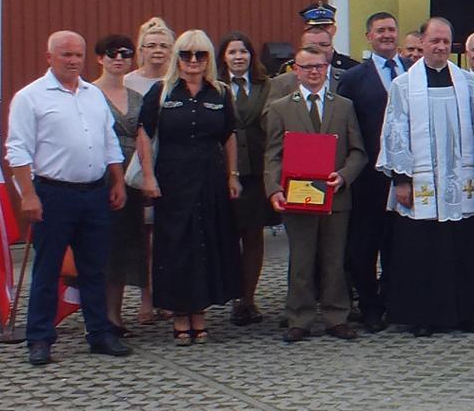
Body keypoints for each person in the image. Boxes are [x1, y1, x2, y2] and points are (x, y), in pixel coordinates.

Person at [9, 31, 133, 366]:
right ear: (49, 57)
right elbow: (18, 150)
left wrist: (118, 180)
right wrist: (28, 195)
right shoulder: (30, 97)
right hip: (53, 194)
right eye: (66, 54)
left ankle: (99, 333)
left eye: (78, 54)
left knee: (95, 269)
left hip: (94, 193)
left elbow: (109, 142)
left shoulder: (93, 95)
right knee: (48, 269)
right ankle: (40, 338)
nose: (73, 61)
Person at [378, 17, 474, 336]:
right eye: (434, 41)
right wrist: (401, 179)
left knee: (461, 245)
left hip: (460, 180)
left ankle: (464, 312)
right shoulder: (403, 85)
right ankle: (422, 316)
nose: (440, 47)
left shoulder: (467, 82)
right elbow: (396, 131)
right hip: (420, 181)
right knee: (421, 250)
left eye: (445, 42)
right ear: (423, 43)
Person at [135, 29, 243, 345]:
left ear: (209, 58)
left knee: (206, 243)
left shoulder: (220, 92)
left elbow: (229, 135)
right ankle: (180, 315)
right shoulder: (161, 92)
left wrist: (232, 175)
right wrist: (148, 177)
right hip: (173, 180)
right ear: (177, 58)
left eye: (200, 55)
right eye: (186, 54)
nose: (193, 61)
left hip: (210, 178)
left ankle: (200, 313)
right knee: (176, 245)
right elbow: (144, 135)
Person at [264, 45, 369, 341]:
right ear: (295, 71)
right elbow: (273, 154)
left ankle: (337, 317)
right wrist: (274, 188)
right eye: (307, 67)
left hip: (336, 196)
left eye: (319, 67)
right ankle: (299, 317)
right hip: (297, 196)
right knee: (301, 260)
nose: (313, 72)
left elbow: (358, 151)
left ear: (327, 69)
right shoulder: (281, 108)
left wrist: (344, 175)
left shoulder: (344, 106)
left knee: (334, 260)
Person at [335, 11, 403, 333]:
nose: (387, 35)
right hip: (368, 178)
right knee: (364, 245)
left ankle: (393, 300)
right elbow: (344, 127)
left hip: (403, 176)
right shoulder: (353, 78)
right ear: (369, 37)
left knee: (398, 244)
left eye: (391, 29)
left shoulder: (412, 71)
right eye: (380, 30)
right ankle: (369, 305)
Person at [91, 34, 151, 335]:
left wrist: (148, 176)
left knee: (125, 247)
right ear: (99, 58)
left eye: (125, 54)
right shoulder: (88, 93)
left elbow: (145, 137)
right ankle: (97, 316)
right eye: (111, 53)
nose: (118, 59)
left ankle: (114, 316)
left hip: (132, 179)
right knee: (100, 247)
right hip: (98, 178)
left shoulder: (138, 98)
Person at [217, 31, 272, 327]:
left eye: (243, 51)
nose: (239, 57)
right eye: (232, 52)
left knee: (253, 236)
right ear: (223, 58)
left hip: (257, 172)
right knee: (227, 235)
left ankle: (248, 299)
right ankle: (230, 293)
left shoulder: (267, 86)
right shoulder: (213, 86)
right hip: (222, 173)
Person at [298, 1, 359, 71]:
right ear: (305, 28)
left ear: (334, 29)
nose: (320, 30)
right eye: (315, 26)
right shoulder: (293, 68)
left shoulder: (352, 68)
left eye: (325, 26)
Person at [124, 17, 173, 95]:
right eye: (151, 46)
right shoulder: (127, 82)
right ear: (141, 50)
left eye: (164, 46)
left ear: (171, 50)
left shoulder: (178, 80)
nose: (158, 50)